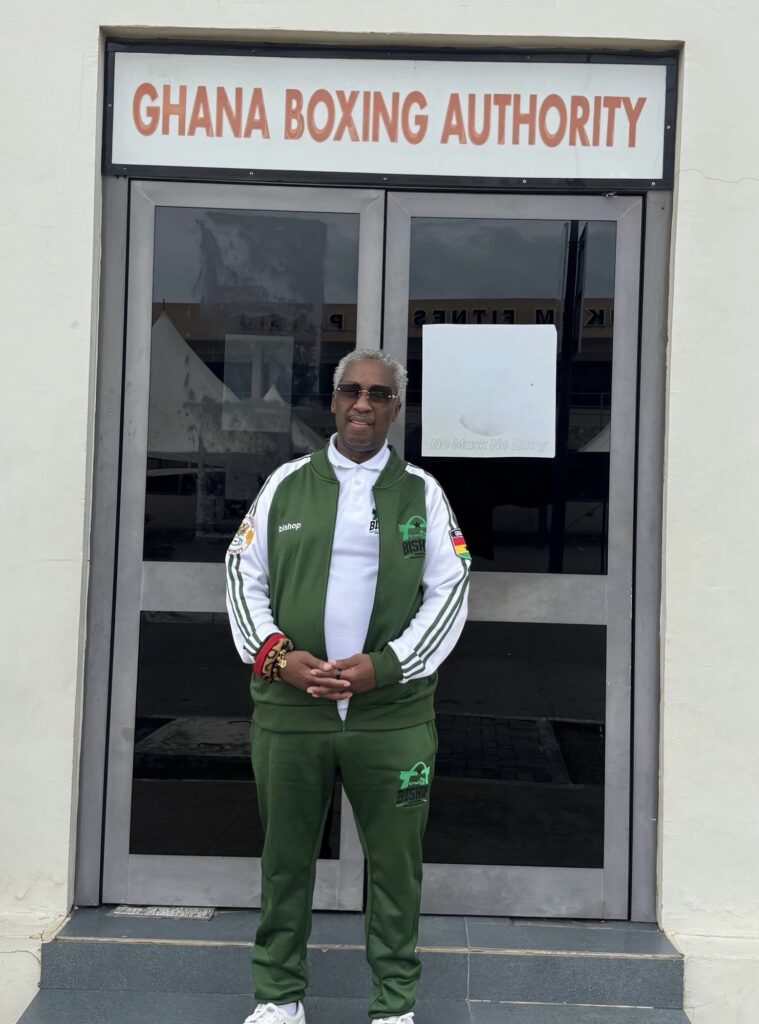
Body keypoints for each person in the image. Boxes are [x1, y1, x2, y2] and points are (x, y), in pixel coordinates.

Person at [225, 348, 470, 1024]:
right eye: (352, 391)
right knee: (284, 863)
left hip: (391, 718)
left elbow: (450, 591)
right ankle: (278, 998)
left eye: (379, 394)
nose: (364, 404)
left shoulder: (422, 492)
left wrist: (384, 666)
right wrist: (277, 656)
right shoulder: (286, 484)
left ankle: (394, 1006)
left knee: (396, 868)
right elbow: (242, 572)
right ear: (334, 402)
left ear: (396, 408)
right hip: (291, 713)